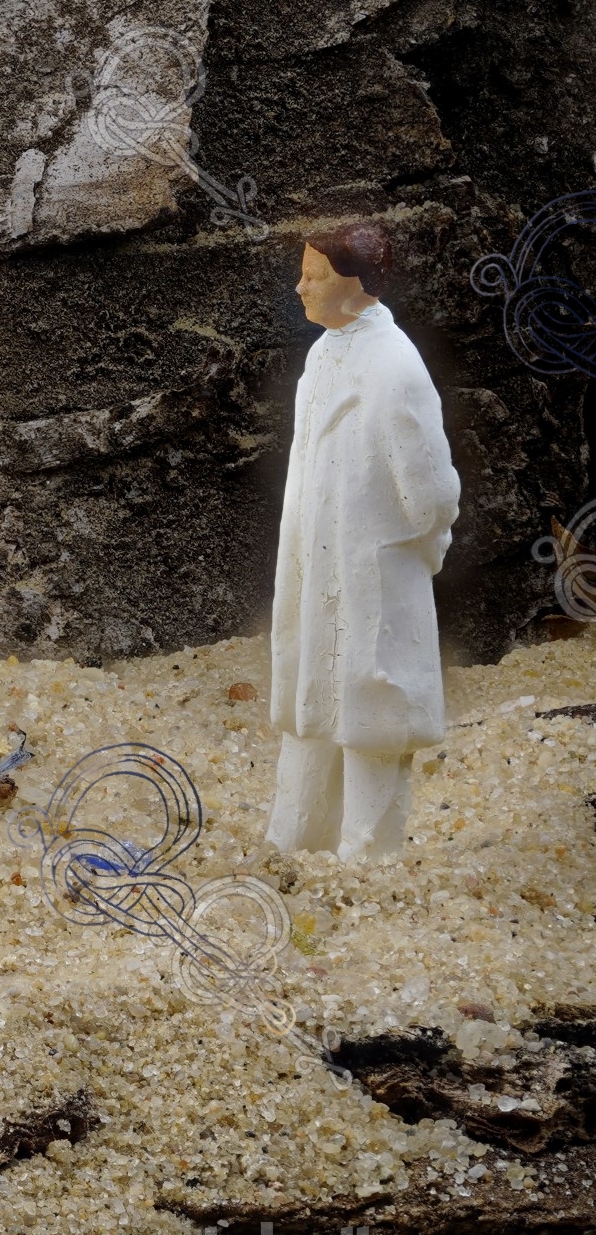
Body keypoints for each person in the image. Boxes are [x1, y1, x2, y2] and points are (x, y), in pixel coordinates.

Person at [267, 224, 456, 861]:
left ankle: (368, 856)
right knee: (313, 699)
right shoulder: (322, 354)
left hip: (373, 567)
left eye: (313, 276)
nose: (300, 287)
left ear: (356, 283)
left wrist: (418, 549)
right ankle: (296, 836)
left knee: (373, 708)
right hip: (316, 561)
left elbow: (430, 490)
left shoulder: (395, 363)